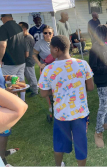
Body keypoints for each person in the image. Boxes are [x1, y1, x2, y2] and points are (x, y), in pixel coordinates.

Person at [38, 35, 94, 166]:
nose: (50, 51)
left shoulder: (48, 69)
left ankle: (59, 165)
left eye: (51, 48)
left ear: (56, 49)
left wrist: (58, 88)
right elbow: (90, 87)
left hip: (61, 114)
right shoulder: (82, 64)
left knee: (59, 144)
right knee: (81, 144)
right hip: (80, 113)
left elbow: (43, 93)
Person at [0, 84, 28, 167]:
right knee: (3, 131)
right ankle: (2, 157)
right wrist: (5, 92)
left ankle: (2, 153)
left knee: (5, 132)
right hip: (5, 103)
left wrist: (7, 77)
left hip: (5, 100)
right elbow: (20, 107)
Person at [33, 26, 55, 120]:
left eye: (49, 33)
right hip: (46, 68)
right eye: (45, 33)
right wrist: (39, 63)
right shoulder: (39, 43)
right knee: (47, 87)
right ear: (43, 33)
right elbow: (34, 54)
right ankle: (50, 106)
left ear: (52, 33)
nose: (47, 35)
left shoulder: (56, 41)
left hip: (57, 68)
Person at [0, 14, 27, 83]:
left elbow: (3, 45)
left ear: (2, 18)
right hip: (21, 59)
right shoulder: (19, 27)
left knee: (9, 82)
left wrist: (0, 59)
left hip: (9, 61)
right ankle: (22, 94)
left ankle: (13, 94)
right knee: (21, 79)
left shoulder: (3, 28)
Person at [19, 22, 38, 97]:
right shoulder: (25, 37)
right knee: (27, 75)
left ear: (24, 29)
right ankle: (31, 87)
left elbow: (26, 54)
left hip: (28, 60)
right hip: (28, 59)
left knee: (31, 75)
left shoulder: (27, 38)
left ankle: (35, 90)